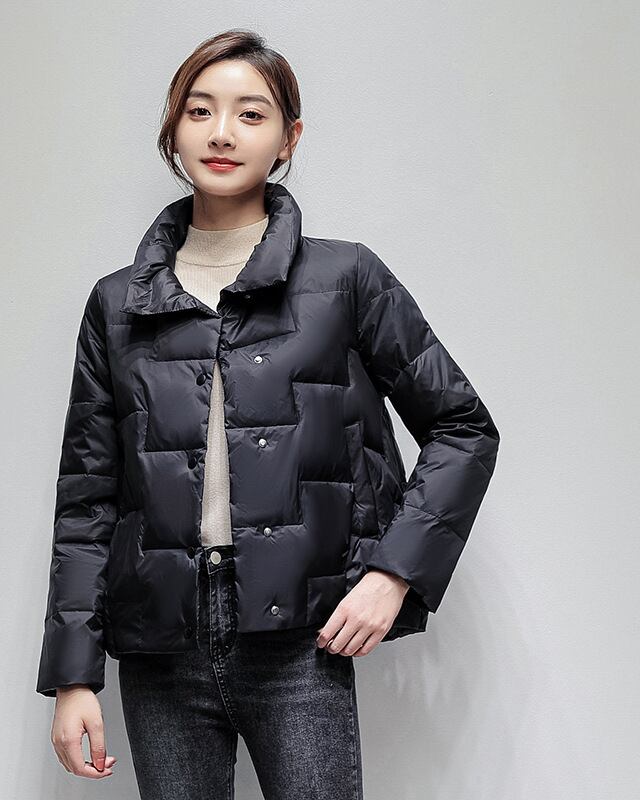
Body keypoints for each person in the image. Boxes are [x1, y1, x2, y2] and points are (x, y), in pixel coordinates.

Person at [36, 29, 500, 800]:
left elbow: (463, 428)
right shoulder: (117, 304)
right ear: (173, 130)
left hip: (299, 642)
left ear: (289, 138)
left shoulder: (346, 278)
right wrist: (73, 677)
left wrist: (394, 573)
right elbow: (87, 499)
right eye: (200, 111)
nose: (222, 133)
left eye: (250, 114)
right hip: (161, 643)